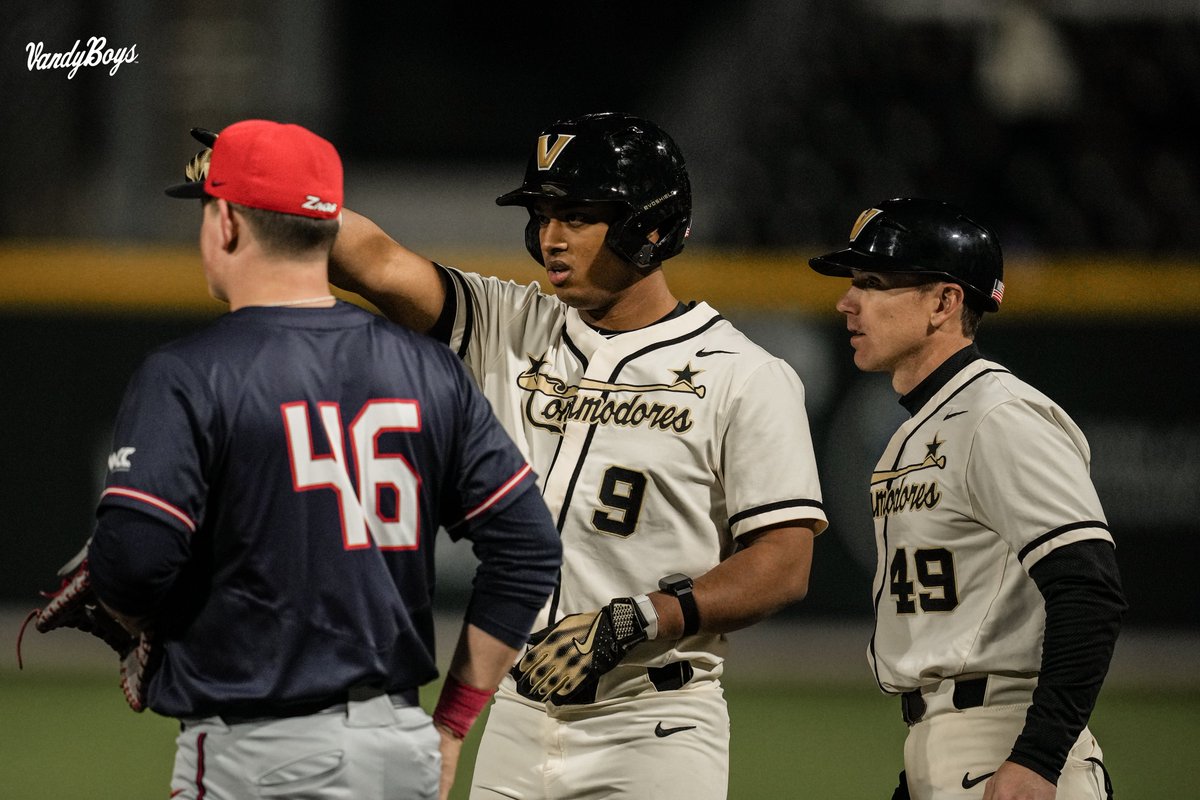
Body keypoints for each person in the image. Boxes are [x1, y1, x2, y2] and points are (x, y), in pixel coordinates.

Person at [327, 111, 828, 799]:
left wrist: (644, 617)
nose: (550, 238)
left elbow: (785, 563)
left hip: (656, 723)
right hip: (516, 716)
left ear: (646, 227)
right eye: (543, 215)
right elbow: (374, 262)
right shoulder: (514, 325)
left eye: (578, 215)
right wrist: (261, 187)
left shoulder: (742, 373)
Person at [85, 119, 562, 800]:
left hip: (257, 752)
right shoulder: (429, 368)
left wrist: (140, 618)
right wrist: (452, 720)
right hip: (398, 755)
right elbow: (528, 549)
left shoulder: (188, 375)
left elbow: (132, 562)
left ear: (224, 222)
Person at [808, 198, 1127, 800]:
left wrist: (1037, 757)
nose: (847, 303)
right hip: (947, 745)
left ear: (945, 301)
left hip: (1008, 745)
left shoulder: (999, 415)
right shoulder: (916, 430)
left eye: (873, 283)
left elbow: (1090, 589)